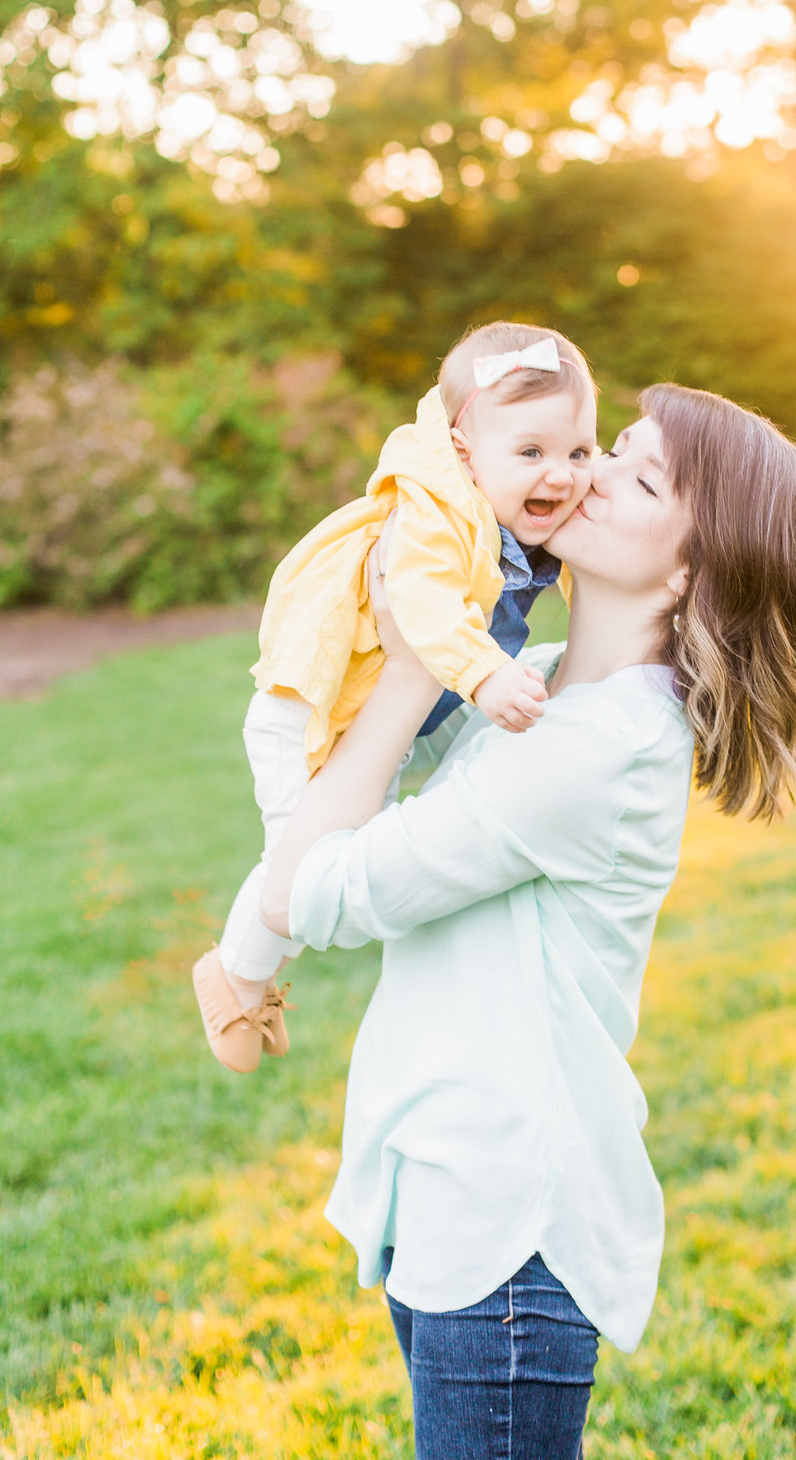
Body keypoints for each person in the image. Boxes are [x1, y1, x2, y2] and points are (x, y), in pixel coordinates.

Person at [257, 383, 796, 1460]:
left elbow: (315, 889)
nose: (590, 473)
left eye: (642, 476)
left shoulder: (594, 746)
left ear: (688, 574)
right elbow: (331, 810)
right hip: (453, 1200)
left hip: (508, 1236)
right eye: (608, 449)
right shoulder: (530, 688)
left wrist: (407, 665)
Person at [193, 322, 598, 1073]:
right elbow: (421, 602)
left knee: (334, 851)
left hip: (383, 719)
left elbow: (583, 574)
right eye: (533, 452)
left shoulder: (513, 512)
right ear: (465, 450)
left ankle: (256, 971)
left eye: (579, 451)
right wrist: (482, 674)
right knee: (300, 860)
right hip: (306, 709)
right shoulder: (434, 513)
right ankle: (235, 979)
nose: (563, 475)